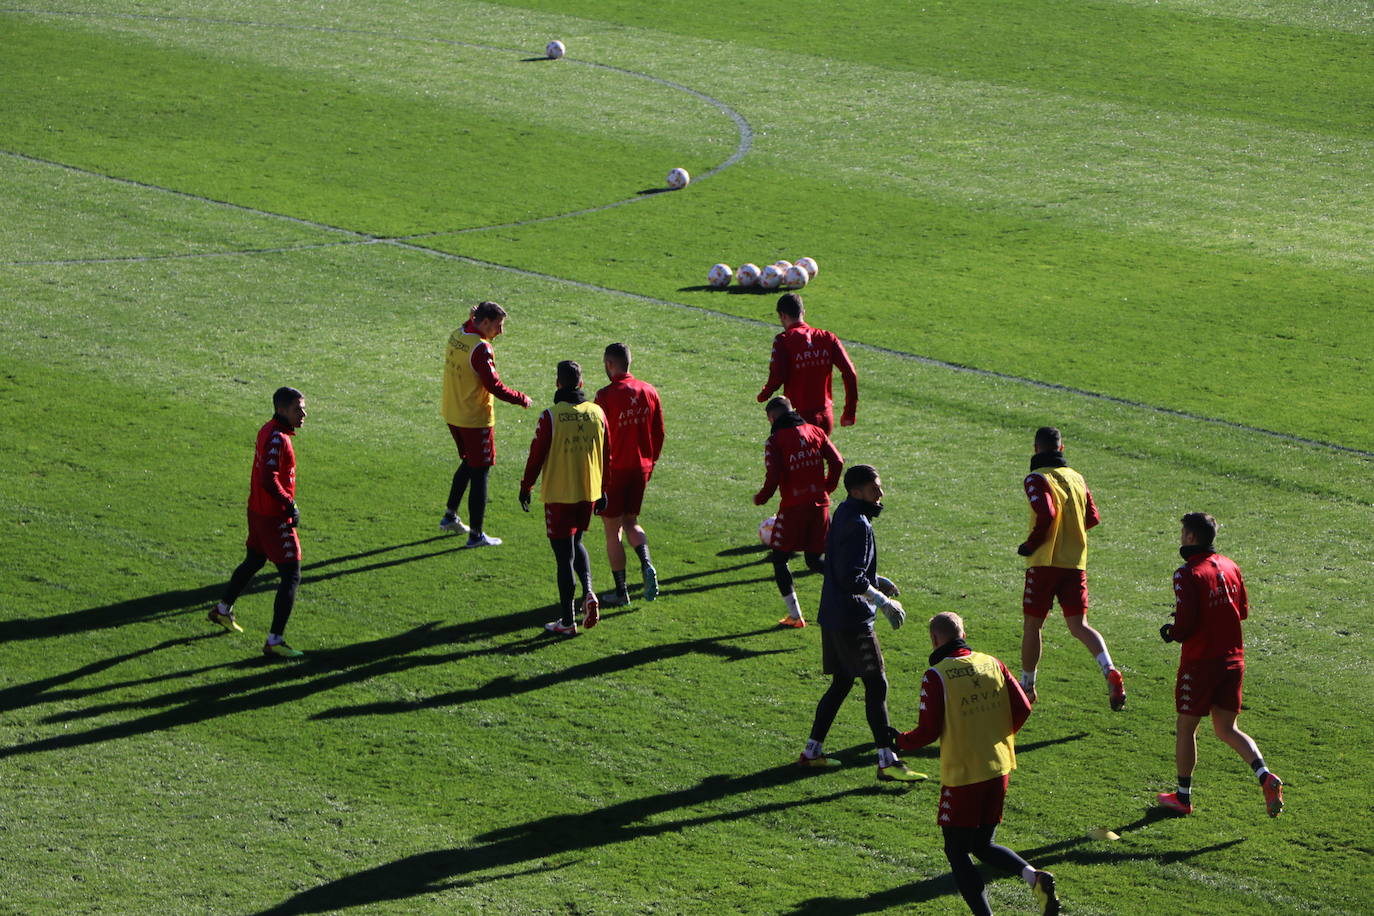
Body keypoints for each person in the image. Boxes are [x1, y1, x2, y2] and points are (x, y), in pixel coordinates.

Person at [895, 612, 1060, 916]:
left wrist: (899, 742)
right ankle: (1034, 878)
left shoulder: (937, 675)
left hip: (963, 776)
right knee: (982, 845)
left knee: (956, 850)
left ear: (934, 639)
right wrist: (995, 737)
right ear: (963, 633)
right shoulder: (992, 663)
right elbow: (1023, 707)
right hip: (999, 768)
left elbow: (927, 732)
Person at [798, 464, 923, 782]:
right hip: (852, 620)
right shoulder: (858, 523)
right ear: (856, 492)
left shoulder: (844, 512)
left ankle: (812, 752)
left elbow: (840, 565)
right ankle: (887, 760)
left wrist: (876, 578)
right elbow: (851, 577)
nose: (880, 494)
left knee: (841, 683)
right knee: (876, 683)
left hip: (833, 615)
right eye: (874, 489)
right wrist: (883, 602)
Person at [1156, 513, 1284, 818]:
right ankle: (1265, 775)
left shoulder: (1187, 574)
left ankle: (1183, 797)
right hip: (1233, 659)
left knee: (1186, 728)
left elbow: (1186, 624)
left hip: (1200, 662)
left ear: (1190, 537)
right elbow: (1241, 612)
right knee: (1227, 728)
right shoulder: (1231, 565)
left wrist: (1172, 632)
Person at [1016, 426, 1126, 710]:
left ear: (1036, 449)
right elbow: (1092, 517)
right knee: (1079, 625)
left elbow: (1047, 513)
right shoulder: (1077, 478)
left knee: (1033, 625)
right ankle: (1109, 669)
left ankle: (1027, 686)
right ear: (1061, 449)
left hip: (1044, 563)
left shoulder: (1036, 478)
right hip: (1075, 563)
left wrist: (1031, 543)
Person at [207, 387, 310, 658]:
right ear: (282, 409)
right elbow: (268, 477)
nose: (303, 414)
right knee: (291, 574)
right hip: (272, 516)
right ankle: (275, 641)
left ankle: (222, 609)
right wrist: (290, 504)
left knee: (254, 560)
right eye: (298, 409)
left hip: (256, 511)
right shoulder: (278, 438)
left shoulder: (267, 430)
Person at [520, 360, 610, 636]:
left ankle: (568, 621)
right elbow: (608, 455)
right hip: (589, 493)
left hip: (559, 495)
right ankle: (590, 592)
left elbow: (536, 455)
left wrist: (526, 486)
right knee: (577, 542)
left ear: (558, 383)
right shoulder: (597, 413)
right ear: (581, 384)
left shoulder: (551, 416)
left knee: (563, 558)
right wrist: (604, 490)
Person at [439, 300, 532, 547]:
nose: (500, 332)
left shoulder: (458, 334)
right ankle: (476, 535)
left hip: (453, 413)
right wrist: (521, 398)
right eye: (498, 326)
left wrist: (472, 320)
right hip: (474, 419)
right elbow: (494, 385)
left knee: (469, 463)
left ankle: (450, 517)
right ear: (486, 322)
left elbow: (469, 326)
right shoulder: (480, 348)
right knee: (480, 471)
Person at [754, 396, 843, 627]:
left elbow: (773, 475)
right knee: (814, 560)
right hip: (820, 504)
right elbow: (838, 461)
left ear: (772, 418)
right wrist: (827, 488)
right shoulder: (815, 431)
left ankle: (795, 616)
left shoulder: (775, 441)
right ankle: (861, 588)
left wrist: (762, 497)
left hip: (794, 507)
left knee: (780, 559)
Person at [594, 342, 664, 607]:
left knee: (612, 530)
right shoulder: (649, 390)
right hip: (641, 468)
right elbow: (659, 433)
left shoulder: (605, 395)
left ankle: (621, 591)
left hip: (613, 471)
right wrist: (650, 463)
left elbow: (597, 437)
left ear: (610, 364)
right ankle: (646, 563)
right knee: (631, 521)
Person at [756, 292, 858, 435]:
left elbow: (777, 377)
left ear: (782, 316)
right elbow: (850, 373)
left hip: (799, 418)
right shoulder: (828, 337)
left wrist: (764, 394)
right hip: (826, 416)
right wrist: (849, 412)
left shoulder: (783, 340)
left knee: (796, 457)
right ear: (803, 312)